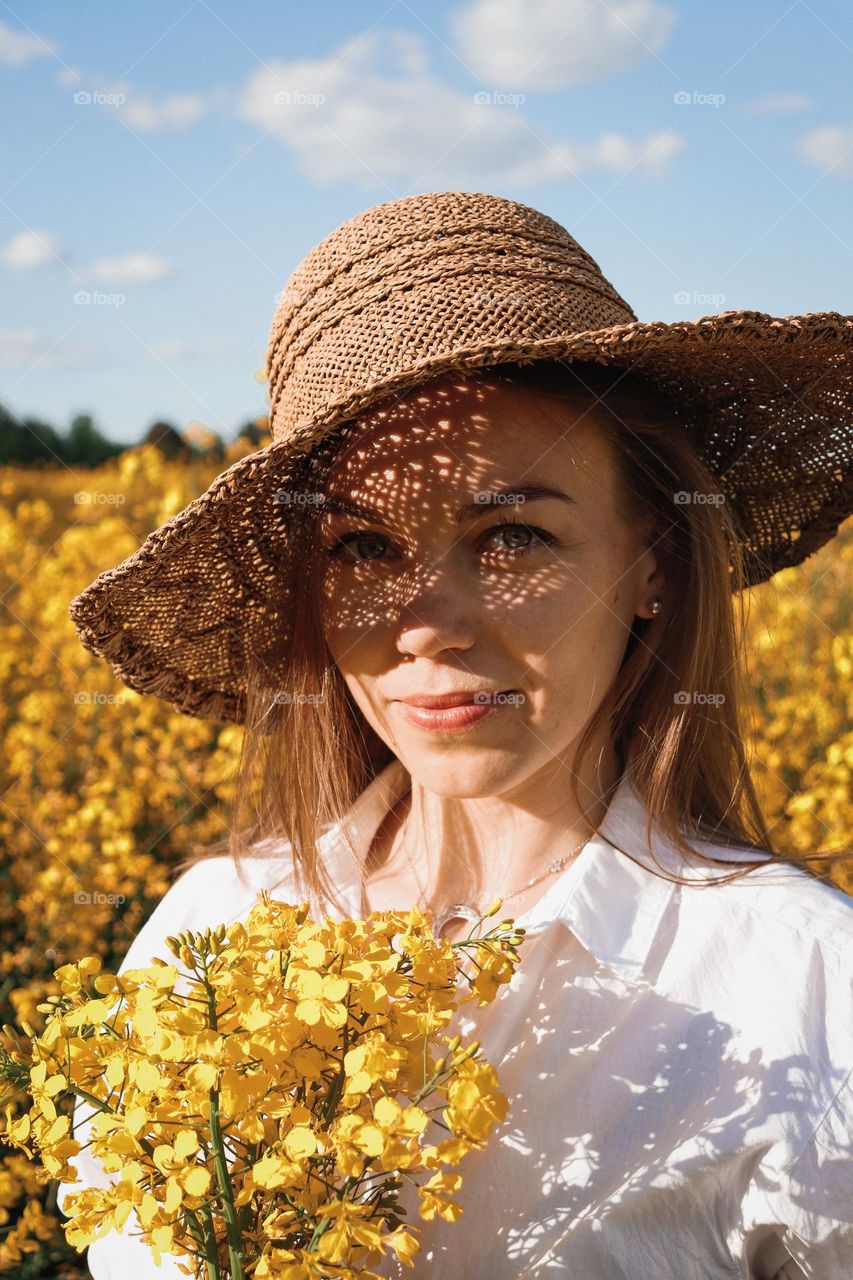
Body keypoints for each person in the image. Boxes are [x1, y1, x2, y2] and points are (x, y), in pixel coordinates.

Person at [62, 192, 853, 1279]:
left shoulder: (806, 988)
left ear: (654, 566)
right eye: (361, 550)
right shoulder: (207, 929)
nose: (427, 623)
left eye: (512, 535)